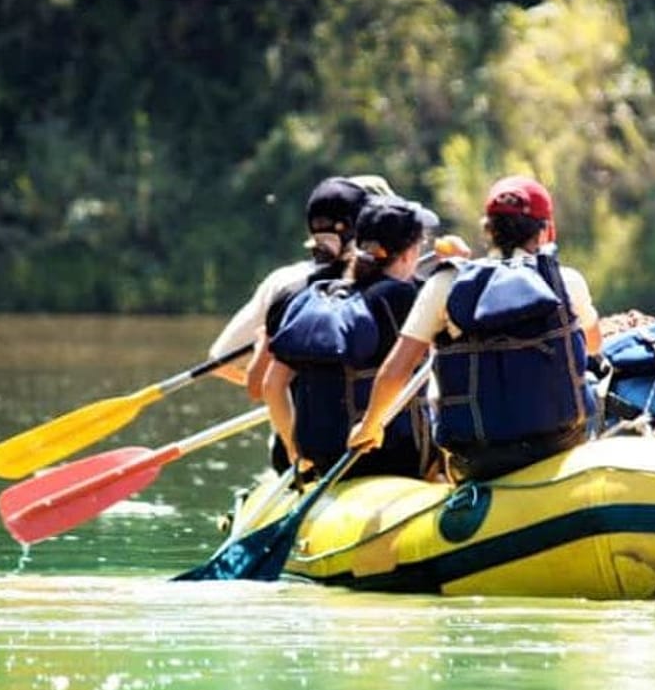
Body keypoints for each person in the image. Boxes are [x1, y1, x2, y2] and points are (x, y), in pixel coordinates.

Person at [347, 175, 601, 483]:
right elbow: (593, 346)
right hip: (557, 446)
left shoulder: (445, 282)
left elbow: (396, 370)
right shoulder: (566, 281)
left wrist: (370, 426)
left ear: (489, 230)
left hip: (475, 461)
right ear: (546, 230)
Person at [264, 196, 437, 481]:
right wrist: (369, 426)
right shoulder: (401, 297)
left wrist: (294, 449)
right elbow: (398, 374)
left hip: (325, 462)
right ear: (409, 254)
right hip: (390, 457)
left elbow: (272, 386)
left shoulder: (319, 296)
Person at [208, 176, 373, 396]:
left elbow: (220, 363)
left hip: (299, 414)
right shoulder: (390, 280)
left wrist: (280, 391)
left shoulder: (284, 282)